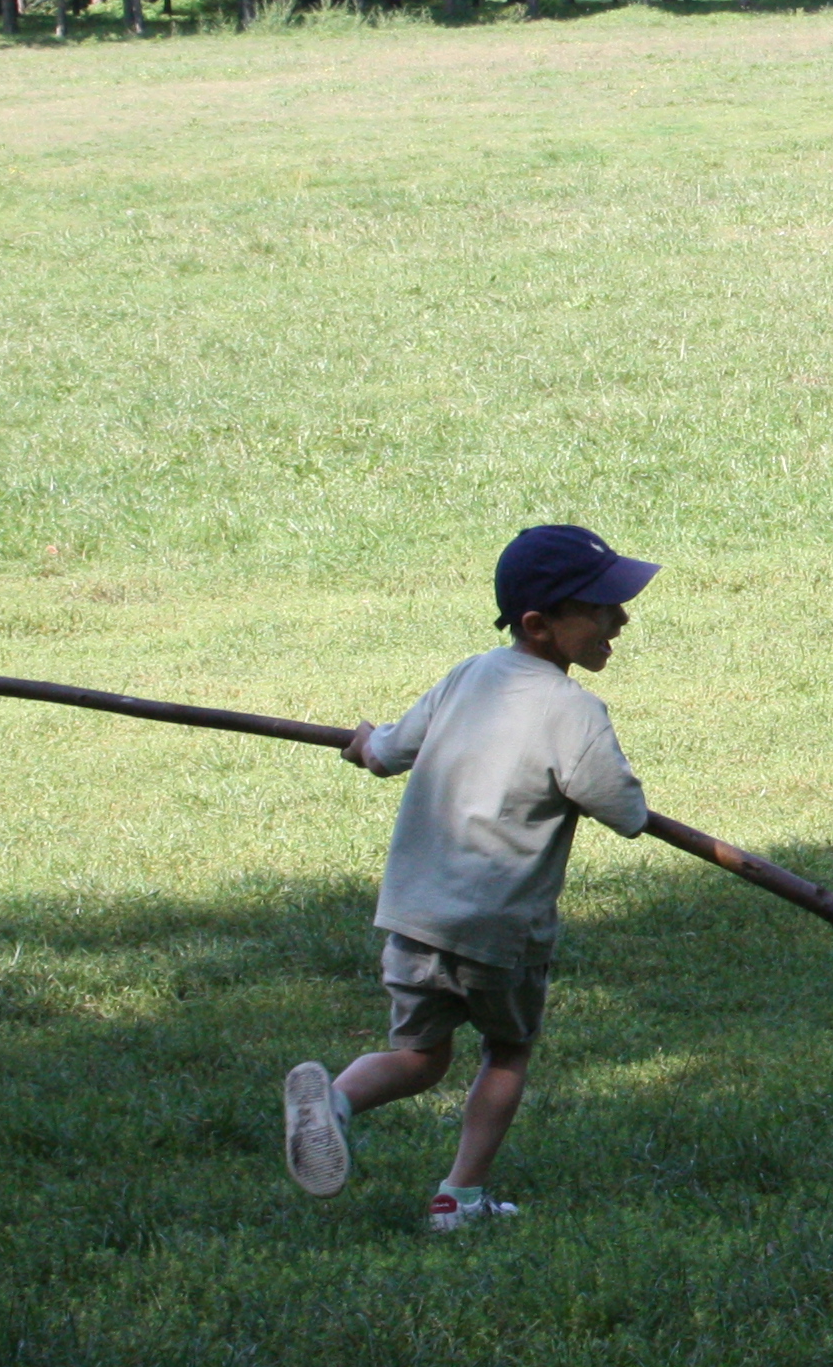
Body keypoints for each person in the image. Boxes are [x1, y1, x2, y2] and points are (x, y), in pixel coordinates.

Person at [280, 523, 656, 1234]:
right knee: (507, 1050)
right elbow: (626, 812)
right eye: (602, 608)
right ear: (542, 625)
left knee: (419, 1055)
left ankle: (333, 1102)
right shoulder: (573, 712)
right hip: (499, 930)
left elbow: (389, 751)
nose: (622, 619)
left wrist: (364, 744)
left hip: (414, 918)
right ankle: (462, 1196)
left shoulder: (467, 677)